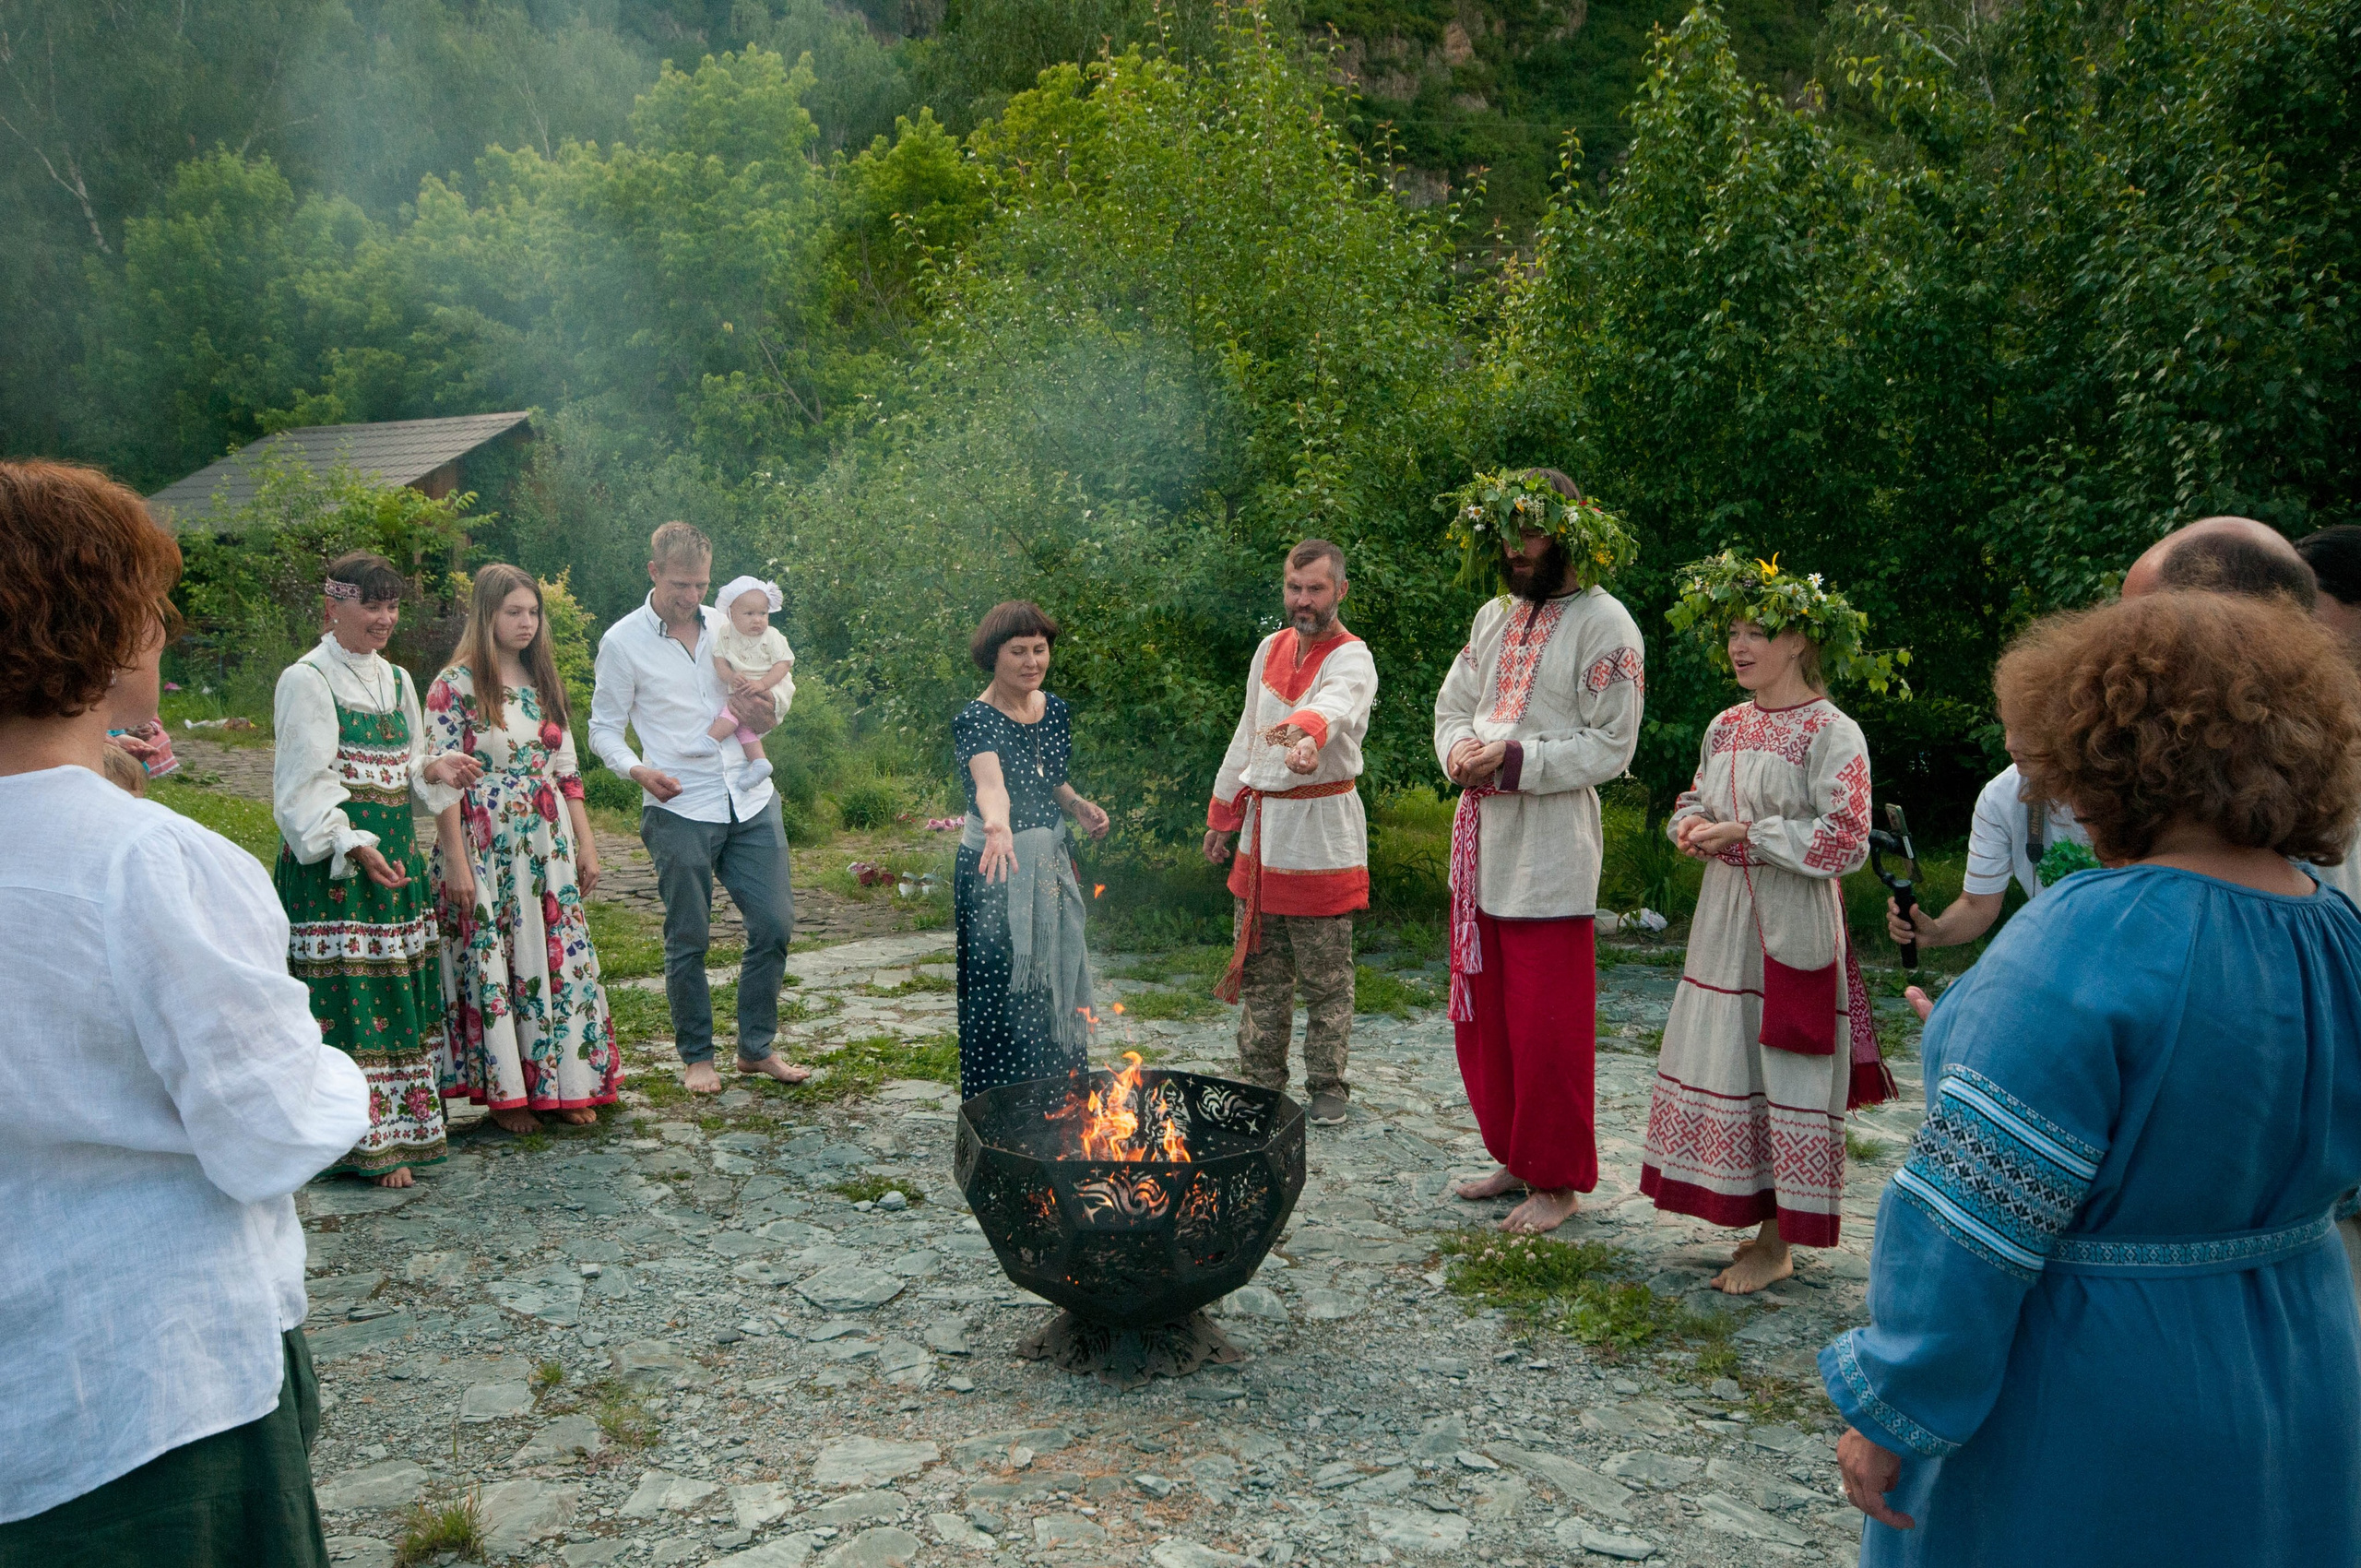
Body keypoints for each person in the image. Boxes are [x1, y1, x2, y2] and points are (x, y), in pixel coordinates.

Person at [1822, 590, 2361, 1566]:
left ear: (2102, 748)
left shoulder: (2080, 938)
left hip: (2095, 1395)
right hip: (2299, 1359)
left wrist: (1894, 1406)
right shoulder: (2334, 931)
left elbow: (1969, 1229)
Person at [0, 459, 370, 1563]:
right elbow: (271, 1130)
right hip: (157, 1386)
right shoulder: (156, 865)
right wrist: (345, 1072)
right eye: (152, 612)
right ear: (112, 640)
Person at [1642, 551, 1899, 1291]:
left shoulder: (1832, 732)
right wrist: (1689, 828)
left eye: (1757, 632)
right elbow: (1695, 800)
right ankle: (1751, 1218)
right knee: (1731, 1061)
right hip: (1724, 924)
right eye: (1733, 632)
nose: (1739, 645)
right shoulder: (1725, 725)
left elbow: (1847, 839)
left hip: (1793, 923)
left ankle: (1781, 1240)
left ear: (1800, 643)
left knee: (1788, 1068)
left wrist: (1748, 834)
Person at [1430, 469, 1645, 1232]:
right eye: (1507, 535)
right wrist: (1460, 749)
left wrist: (1514, 760)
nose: (1517, 550)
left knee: (1546, 1025)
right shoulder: (1493, 615)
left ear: (1571, 532)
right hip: (1483, 839)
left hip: (1552, 848)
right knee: (1489, 1016)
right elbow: (1454, 702)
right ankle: (1517, 1156)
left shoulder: (1606, 622)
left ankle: (1558, 1181)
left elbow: (1613, 744)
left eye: (1532, 532)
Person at [271, 551, 482, 1188]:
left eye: (392, 606)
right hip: (335, 869)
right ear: (333, 607)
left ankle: (402, 1130)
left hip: (395, 860)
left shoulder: (396, 680)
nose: (384, 618)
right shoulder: (306, 679)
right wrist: (350, 844)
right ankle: (352, 1140)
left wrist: (433, 770)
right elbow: (301, 787)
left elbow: (408, 766)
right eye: (372, 605)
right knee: (344, 997)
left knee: (394, 994)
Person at [588, 522, 809, 1093]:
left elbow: (776, 686)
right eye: (682, 584)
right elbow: (602, 731)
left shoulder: (729, 622)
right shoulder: (621, 642)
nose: (693, 596)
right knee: (689, 934)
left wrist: (770, 709)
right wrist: (635, 769)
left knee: (775, 923)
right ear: (654, 572)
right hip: (678, 803)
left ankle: (755, 1048)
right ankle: (698, 1057)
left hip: (751, 796)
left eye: (702, 584)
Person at [426, 564, 622, 1134]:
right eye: (514, 612)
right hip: (484, 841)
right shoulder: (453, 685)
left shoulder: (543, 679)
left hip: (546, 841)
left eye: (533, 612)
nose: (526, 623)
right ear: (487, 615)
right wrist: (457, 861)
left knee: (552, 954)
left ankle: (564, 1082)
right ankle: (509, 1090)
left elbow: (567, 771)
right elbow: (438, 783)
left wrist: (586, 844)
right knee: (499, 958)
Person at [1204, 540, 1379, 1127]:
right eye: (1294, 588)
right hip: (1263, 832)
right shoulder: (1269, 648)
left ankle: (1328, 1085)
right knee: (1262, 970)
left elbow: (1335, 703)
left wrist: (1308, 736)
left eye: (1316, 589)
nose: (1302, 601)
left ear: (1340, 591)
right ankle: (1259, 1085)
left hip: (1320, 833)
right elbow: (1250, 732)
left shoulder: (1353, 657)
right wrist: (1223, 815)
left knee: (1327, 976)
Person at [953, 600, 1111, 1099]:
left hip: (1050, 866)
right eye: (1017, 651)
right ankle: (999, 1106)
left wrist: (1077, 805)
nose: (1031, 662)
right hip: (997, 866)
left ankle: (1059, 1101)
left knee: (1057, 975)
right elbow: (991, 783)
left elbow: (1050, 779)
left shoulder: (1055, 708)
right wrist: (998, 827)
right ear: (992, 657)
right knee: (1005, 991)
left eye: (1039, 650)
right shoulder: (975, 720)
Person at [1883, 735, 2094, 951]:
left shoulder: (2123, 784)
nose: (2009, 744)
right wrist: (1937, 931)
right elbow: (1977, 906)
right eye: (2008, 726)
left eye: (2026, 729)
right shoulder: (1999, 796)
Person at [704, 575, 794, 785]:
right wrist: (730, 676)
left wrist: (763, 685)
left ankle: (710, 740)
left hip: (771, 686)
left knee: (733, 711)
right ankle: (760, 762)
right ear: (731, 614)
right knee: (742, 723)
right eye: (749, 613)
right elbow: (719, 660)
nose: (758, 619)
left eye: (763, 613)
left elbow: (784, 663)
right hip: (744, 686)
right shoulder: (726, 634)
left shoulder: (771, 636)